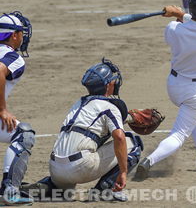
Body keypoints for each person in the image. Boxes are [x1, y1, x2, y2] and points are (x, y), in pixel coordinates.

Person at [24, 58, 144, 202]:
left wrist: (130, 117)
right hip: (80, 168)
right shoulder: (110, 107)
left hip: (56, 169)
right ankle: (104, 190)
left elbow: (97, 125)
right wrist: (123, 172)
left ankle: (49, 186)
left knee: (64, 192)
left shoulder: (79, 103)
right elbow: (119, 137)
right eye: (113, 80)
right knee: (133, 142)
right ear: (108, 85)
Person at [136, 0, 196, 179]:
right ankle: (149, 161)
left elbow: (184, 25)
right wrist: (180, 14)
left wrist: (177, 14)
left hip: (174, 85)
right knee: (179, 134)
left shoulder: (173, 29)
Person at [0, 12, 35, 205]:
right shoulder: (12, 57)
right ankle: (9, 190)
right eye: (21, 32)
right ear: (14, 35)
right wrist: (2, 110)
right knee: (24, 135)